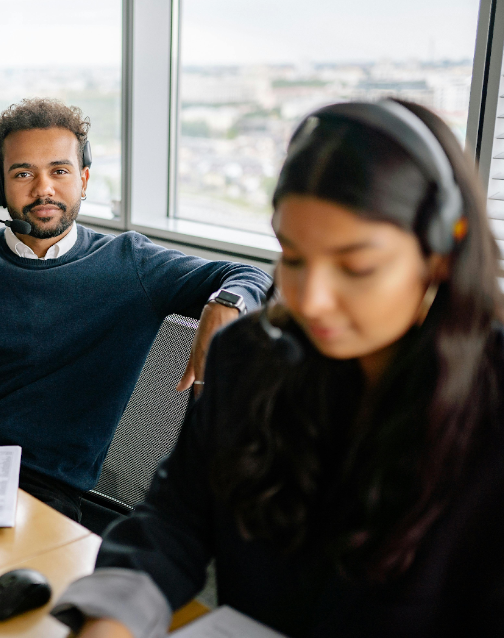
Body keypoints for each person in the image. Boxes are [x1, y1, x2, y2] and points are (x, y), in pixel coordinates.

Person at [52, 99, 504, 637]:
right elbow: (174, 521)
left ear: (441, 252)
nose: (309, 300)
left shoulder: (492, 408)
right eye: (292, 256)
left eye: (355, 266)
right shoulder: (251, 357)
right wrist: (110, 621)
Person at [0, 98, 271, 520]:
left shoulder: (130, 263)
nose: (43, 188)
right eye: (23, 173)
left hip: (41, 485)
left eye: (59, 171)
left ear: (82, 179)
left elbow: (252, 276)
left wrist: (225, 304)